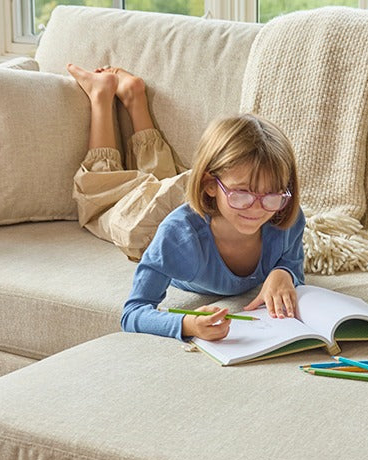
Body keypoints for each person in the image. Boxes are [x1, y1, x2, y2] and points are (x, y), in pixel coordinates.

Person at [67, 64, 305, 342]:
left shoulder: (284, 214)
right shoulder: (176, 238)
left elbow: (291, 262)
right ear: (209, 184)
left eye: (272, 195)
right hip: (144, 226)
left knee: (161, 176)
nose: (257, 208)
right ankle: (100, 95)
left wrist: (283, 272)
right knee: (105, 193)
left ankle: (134, 96)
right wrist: (187, 324)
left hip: (184, 195)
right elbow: (132, 313)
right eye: (242, 194)